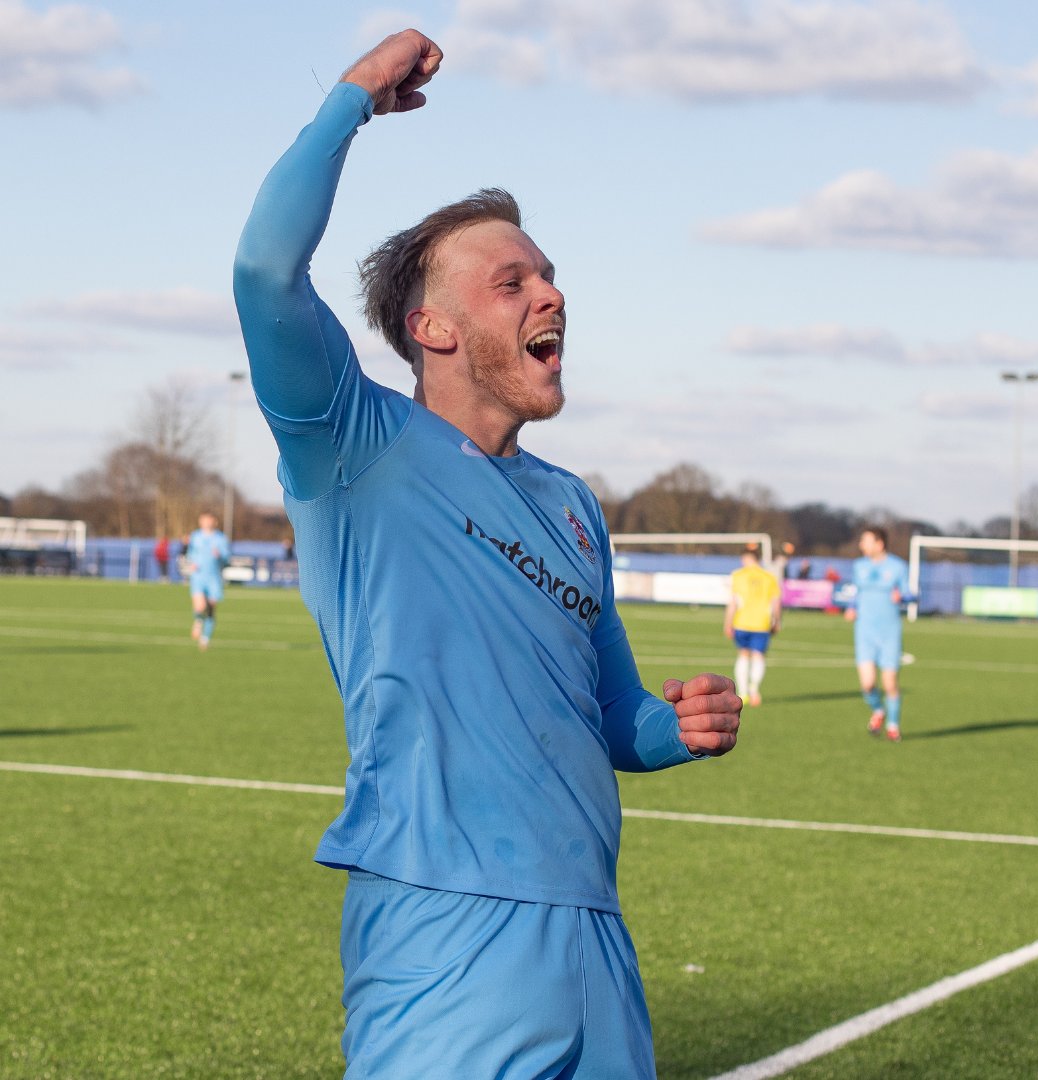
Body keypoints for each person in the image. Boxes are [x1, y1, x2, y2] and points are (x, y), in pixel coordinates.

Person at [233, 29, 741, 1080]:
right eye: (512, 283)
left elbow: (613, 723)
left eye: (549, 277)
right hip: (443, 926)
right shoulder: (356, 446)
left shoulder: (571, 506)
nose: (550, 295)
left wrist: (675, 727)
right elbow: (264, 271)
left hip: (595, 932)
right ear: (435, 328)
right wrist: (352, 101)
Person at [845, 526, 909, 742]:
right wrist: (852, 607)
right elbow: (855, 591)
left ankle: (893, 726)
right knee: (867, 684)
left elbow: (910, 593)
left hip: (889, 631)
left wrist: (903, 597)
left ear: (879, 543)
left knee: (890, 683)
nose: (862, 545)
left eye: (866, 541)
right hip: (864, 631)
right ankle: (878, 711)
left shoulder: (898, 566)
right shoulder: (859, 566)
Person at [724, 545, 781, 707]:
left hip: (742, 621)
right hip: (762, 623)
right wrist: (777, 621)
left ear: (746, 558)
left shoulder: (738, 575)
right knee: (758, 656)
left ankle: (742, 693)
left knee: (743, 654)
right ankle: (754, 689)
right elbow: (776, 603)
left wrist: (728, 623)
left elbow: (733, 602)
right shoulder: (769, 577)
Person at [186, 511, 230, 651]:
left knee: (211, 608)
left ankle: (205, 638)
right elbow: (190, 553)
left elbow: (226, 558)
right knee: (200, 606)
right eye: (204, 520)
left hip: (214, 578)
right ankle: (198, 620)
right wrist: (191, 562)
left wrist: (220, 556)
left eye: (209, 520)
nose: (207, 523)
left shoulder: (221, 538)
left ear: (215, 522)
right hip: (198, 576)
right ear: (200, 522)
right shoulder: (195, 536)